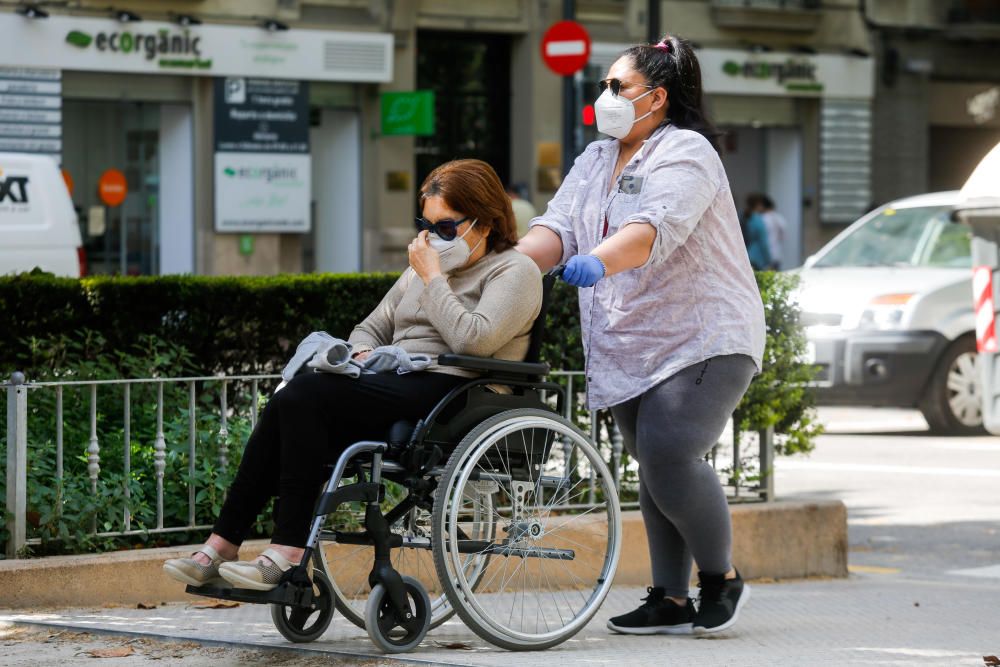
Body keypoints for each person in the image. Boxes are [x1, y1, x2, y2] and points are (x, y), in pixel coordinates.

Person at [164, 159, 542, 591]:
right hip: (399, 379)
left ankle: (286, 553)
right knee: (290, 400)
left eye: (447, 227)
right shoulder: (420, 270)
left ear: (486, 222)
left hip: (454, 388)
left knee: (306, 396)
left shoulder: (514, 271)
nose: (434, 238)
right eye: (427, 225)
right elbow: (370, 325)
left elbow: (473, 340)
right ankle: (223, 542)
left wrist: (434, 278)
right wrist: (365, 350)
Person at [516, 34, 765, 636]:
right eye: (603, 86)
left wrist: (599, 260)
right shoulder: (598, 158)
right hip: (630, 337)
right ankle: (669, 599)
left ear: (656, 97)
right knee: (653, 467)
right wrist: (517, 263)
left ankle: (722, 578)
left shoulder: (687, 152)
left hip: (704, 333)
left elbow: (655, 229)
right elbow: (557, 224)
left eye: (616, 86)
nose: (605, 96)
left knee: (669, 455)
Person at [741, 193, 772, 271]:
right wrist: (768, 260)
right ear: (758, 204)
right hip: (758, 258)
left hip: (747, 254)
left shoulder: (744, 217)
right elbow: (763, 242)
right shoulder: (758, 219)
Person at [761, 194, 787, 270]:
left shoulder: (762, 218)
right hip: (777, 254)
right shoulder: (779, 218)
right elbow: (783, 236)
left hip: (766, 255)